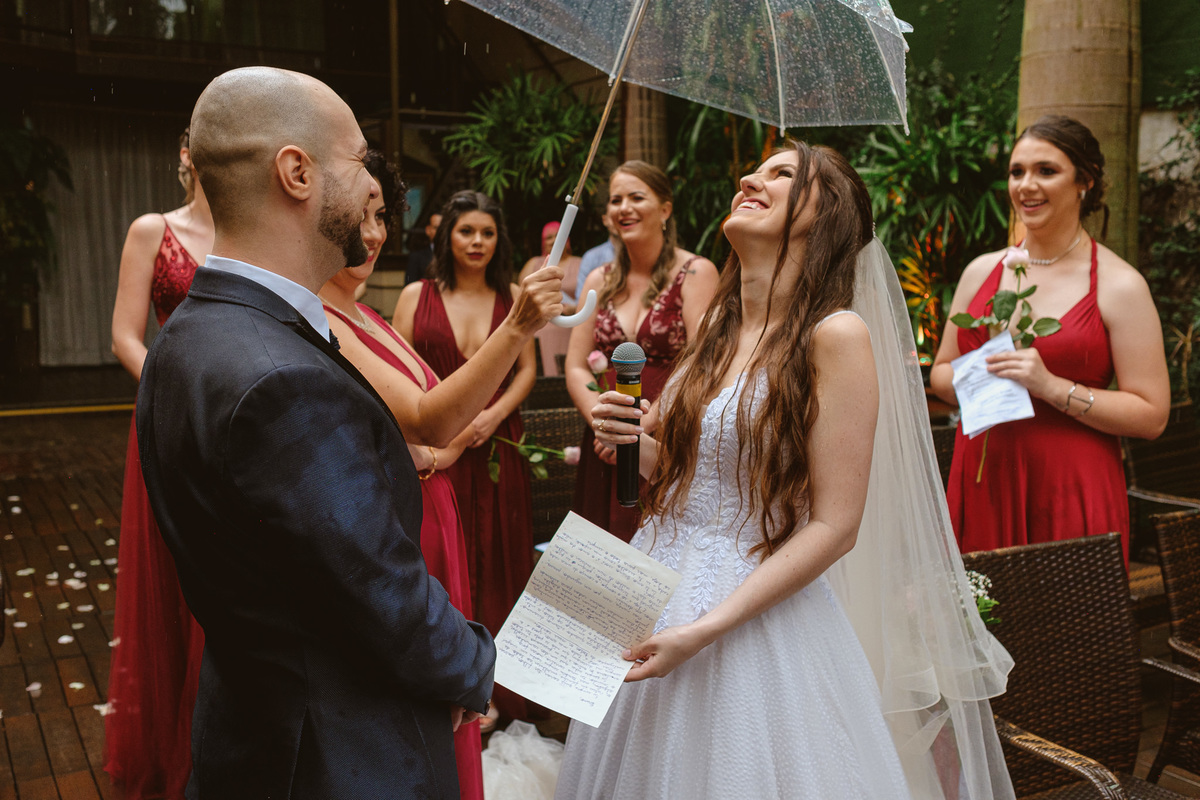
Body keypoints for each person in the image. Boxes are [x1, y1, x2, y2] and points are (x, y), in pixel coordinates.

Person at [137, 67, 562, 798]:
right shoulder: (279, 378)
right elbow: (376, 591)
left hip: (254, 730)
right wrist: (473, 667)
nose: (375, 184)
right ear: (296, 172)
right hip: (336, 753)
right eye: (360, 158)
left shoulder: (191, 335)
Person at [556, 141, 1014, 800]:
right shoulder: (716, 326)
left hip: (749, 621)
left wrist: (706, 628)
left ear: (823, 215)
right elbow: (690, 481)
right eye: (755, 168)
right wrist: (632, 442)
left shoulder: (836, 337)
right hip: (645, 584)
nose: (749, 176)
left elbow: (836, 525)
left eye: (781, 174)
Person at [320, 151, 544, 796]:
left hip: (455, 479)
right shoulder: (333, 317)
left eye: (381, 217)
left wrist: (471, 426)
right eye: (359, 217)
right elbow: (421, 415)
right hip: (424, 502)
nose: (372, 234)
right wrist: (520, 327)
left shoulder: (361, 313)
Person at [931, 115, 1170, 561]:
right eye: (1017, 171)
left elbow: (1152, 415)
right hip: (984, 476)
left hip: (1069, 485)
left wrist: (1051, 386)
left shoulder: (1120, 285)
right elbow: (943, 377)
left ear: (1085, 182)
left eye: (1046, 171)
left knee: (1067, 628)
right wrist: (985, 371)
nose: (1026, 185)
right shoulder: (982, 272)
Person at [392, 191, 536, 714]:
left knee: (500, 554)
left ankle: (500, 687)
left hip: (498, 444)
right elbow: (399, 373)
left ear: (499, 241)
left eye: (488, 233)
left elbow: (526, 371)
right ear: (445, 235)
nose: (477, 242)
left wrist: (493, 415)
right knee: (442, 558)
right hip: (435, 450)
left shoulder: (514, 295)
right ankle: (451, 679)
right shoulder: (415, 296)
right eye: (466, 231)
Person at [106, 128, 210, 800]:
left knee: (217, 582)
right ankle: (168, 748)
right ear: (184, 155)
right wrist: (173, 394)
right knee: (169, 576)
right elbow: (122, 334)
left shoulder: (249, 236)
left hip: (234, 428)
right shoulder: (153, 229)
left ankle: (212, 737)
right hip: (170, 421)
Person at [564, 161, 718, 542]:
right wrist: (605, 426)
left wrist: (638, 430)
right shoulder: (599, 279)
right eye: (616, 200)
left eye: (636, 197)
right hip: (604, 439)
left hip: (666, 435)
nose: (623, 208)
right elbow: (576, 365)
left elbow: (705, 364)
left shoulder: (697, 273)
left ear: (665, 209)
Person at [518, 220, 582, 376]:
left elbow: (592, 298)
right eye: (549, 238)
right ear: (542, 242)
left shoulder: (580, 263)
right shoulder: (533, 263)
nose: (554, 241)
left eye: (558, 236)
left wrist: (575, 308)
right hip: (540, 326)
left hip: (570, 325)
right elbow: (520, 297)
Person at [575, 210, 618, 291]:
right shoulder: (591, 257)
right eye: (613, 216)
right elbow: (582, 299)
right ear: (605, 220)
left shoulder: (643, 254)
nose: (618, 221)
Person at [407, 212, 442, 285]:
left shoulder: (454, 254)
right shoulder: (416, 257)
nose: (440, 232)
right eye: (436, 228)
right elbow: (410, 286)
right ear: (428, 230)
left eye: (442, 228)